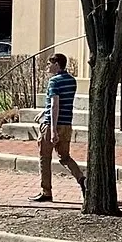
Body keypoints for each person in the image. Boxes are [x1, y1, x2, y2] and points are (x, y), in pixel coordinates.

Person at [32, 53, 85, 202]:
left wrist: (53, 130)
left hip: (51, 125)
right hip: (66, 124)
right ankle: (81, 178)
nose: (47, 67)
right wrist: (44, 111)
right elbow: (61, 102)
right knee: (65, 157)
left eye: (49, 64)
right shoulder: (71, 80)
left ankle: (46, 191)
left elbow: (55, 105)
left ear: (56, 64)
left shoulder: (54, 81)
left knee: (45, 157)